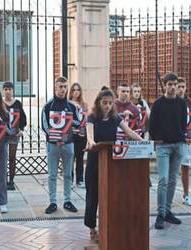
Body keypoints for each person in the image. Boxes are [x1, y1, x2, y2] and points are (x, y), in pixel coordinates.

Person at [84, 88, 143, 242]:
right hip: (94, 161)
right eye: (104, 103)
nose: (108, 106)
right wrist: (92, 143)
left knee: (110, 196)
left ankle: (108, 226)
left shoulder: (115, 118)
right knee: (93, 196)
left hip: (111, 163)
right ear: (99, 103)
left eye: (110, 103)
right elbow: (89, 136)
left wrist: (144, 143)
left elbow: (129, 132)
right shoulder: (92, 117)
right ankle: (92, 229)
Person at [149, 72, 187, 230]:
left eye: (175, 84)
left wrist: (180, 138)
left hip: (178, 145)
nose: (173, 87)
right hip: (163, 146)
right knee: (163, 179)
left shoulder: (181, 103)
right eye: (170, 84)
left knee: (172, 180)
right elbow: (152, 127)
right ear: (164, 85)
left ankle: (168, 211)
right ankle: (160, 214)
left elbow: (183, 123)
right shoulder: (158, 104)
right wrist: (159, 140)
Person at [41, 76, 80, 214]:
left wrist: (73, 120)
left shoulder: (72, 106)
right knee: (52, 174)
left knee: (68, 174)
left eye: (65, 87)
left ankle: (67, 201)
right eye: (60, 87)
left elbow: (78, 124)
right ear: (55, 87)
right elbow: (44, 125)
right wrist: (55, 137)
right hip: (53, 145)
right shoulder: (48, 106)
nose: (63, 89)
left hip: (68, 144)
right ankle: (52, 202)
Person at [177, 77, 191, 207]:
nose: (180, 89)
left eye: (182, 87)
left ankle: (186, 195)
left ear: (186, 88)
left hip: (186, 140)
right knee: (170, 170)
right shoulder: (170, 102)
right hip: (172, 140)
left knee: (185, 166)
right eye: (178, 86)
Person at [2, 81, 27, 191]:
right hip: (3, 135)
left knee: (12, 158)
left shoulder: (17, 103)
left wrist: (21, 129)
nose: (8, 91)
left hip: (14, 134)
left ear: (13, 91)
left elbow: (23, 119)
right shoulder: (0, 104)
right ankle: (3, 179)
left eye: (10, 89)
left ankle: (11, 181)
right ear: (3, 91)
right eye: (6, 89)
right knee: (2, 158)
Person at [69, 82, 88, 188]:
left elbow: (86, 119)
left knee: (80, 157)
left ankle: (80, 180)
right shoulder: (68, 103)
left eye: (78, 90)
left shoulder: (84, 105)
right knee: (70, 157)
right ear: (71, 92)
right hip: (71, 134)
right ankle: (70, 180)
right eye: (74, 90)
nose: (76, 92)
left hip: (81, 134)